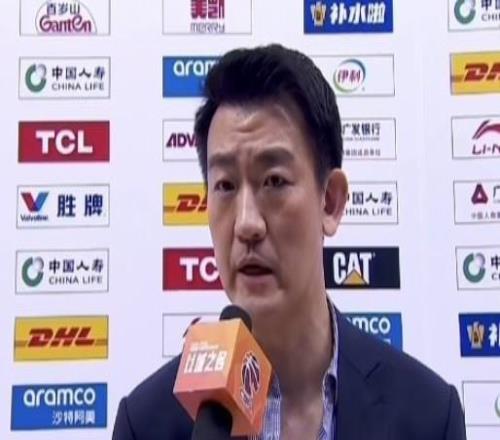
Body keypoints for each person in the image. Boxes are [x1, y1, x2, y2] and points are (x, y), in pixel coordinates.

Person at [113, 44, 466, 440]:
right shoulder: (147, 423)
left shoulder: (428, 416)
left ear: (330, 201)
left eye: (274, 181)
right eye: (225, 185)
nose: (247, 224)